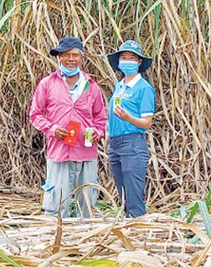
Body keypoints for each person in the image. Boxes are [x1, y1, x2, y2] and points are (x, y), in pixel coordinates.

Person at [29, 36, 107, 218]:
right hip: (59, 150)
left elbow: (100, 118)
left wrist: (98, 132)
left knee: (86, 201)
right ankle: (54, 237)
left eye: (75, 55)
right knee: (56, 200)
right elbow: (35, 114)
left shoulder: (91, 86)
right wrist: (53, 129)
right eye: (66, 55)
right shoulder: (47, 84)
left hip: (86, 152)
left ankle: (83, 238)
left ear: (81, 58)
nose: (71, 59)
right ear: (59, 58)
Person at [106, 40, 155, 218]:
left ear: (139, 62)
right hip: (115, 144)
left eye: (132, 58)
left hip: (133, 143)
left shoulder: (143, 88)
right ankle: (128, 226)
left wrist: (129, 118)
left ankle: (137, 229)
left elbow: (147, 122)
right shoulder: (119, 86)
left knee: (134, 196)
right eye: (123, 57)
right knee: (123, 193)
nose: (127, 61)